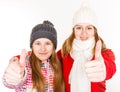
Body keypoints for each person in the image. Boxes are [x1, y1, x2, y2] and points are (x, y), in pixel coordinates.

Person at [57, 2, 116, 92]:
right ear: (74, 30)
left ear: (94, 31)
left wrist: (104, 69)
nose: (84, 33)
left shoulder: (104, 53)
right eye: (79, 28)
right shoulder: (64, 53)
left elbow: (111, 67)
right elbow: (47, 64)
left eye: (89, 28)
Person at [2, 20, 65, 92]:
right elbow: (9, 82)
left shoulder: (59, 65)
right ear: (32, 46)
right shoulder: (23, 64)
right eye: (38, 43)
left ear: (53, 46)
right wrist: (14, 78)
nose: (43, 49)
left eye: (47, 43)